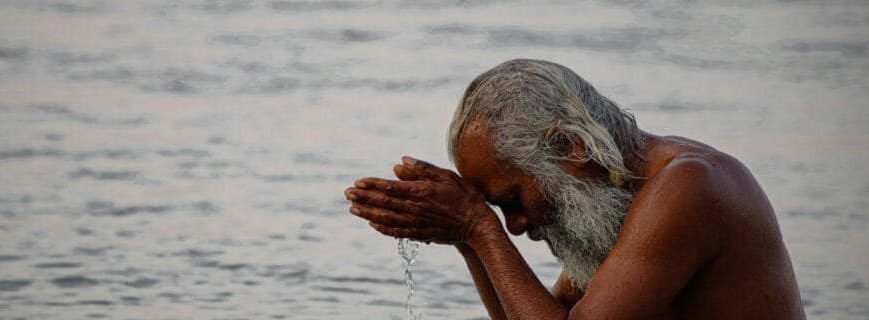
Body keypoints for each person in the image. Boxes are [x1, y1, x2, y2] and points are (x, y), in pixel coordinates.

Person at [344, 59, 806, 319]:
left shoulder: (689, 187)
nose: (517, 225)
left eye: (513, 200)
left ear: (570, 147)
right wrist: (467, 239)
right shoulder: (621, 198)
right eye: (499, 210)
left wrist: (479, 226)